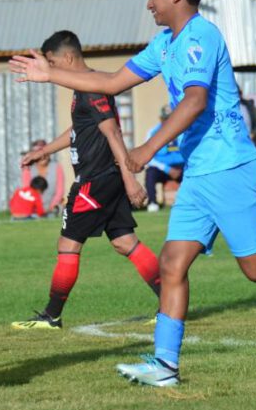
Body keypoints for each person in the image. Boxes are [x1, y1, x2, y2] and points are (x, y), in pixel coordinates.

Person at [10, 0, 256, 387]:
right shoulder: (165, 44)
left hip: (229, 167)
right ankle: (166, 366)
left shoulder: (201, 37)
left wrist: (149, 146)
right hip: (200, 172)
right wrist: (51, 74)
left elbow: (195, 100)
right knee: (172, 262)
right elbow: (110, 82)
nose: (149, 4)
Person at [10, 30, 162, 331]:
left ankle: (51, 316)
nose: (49, 69)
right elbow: (80, 130)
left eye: (52, 63)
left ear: (67, 58)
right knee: (124, 242)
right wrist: (43, 151)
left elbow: (112, 132)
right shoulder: (86, 88)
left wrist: (129, 178)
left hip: (96, 181)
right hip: (107, 178)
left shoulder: (91, 89)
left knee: (68, 245)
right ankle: (170, 301)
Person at [144, 107, 183, 212]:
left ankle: (195, 203)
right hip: (162, 168)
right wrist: (167, 169)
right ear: (161, 119)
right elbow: (148, 158)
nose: (169, 122)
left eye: (171, 118)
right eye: (166, 119)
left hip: (181, 166)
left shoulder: (183, 131)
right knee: (150, 173)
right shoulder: (152, 132)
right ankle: (152, 202)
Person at [20, 139, 65, 216]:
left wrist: (51, 207)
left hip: (52, 207)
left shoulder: (56, 167)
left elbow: (60, 191)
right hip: (33, 207)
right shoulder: (28, 169)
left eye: (44, 152)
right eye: (38, 153)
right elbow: (26, 190)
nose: (42, 157)